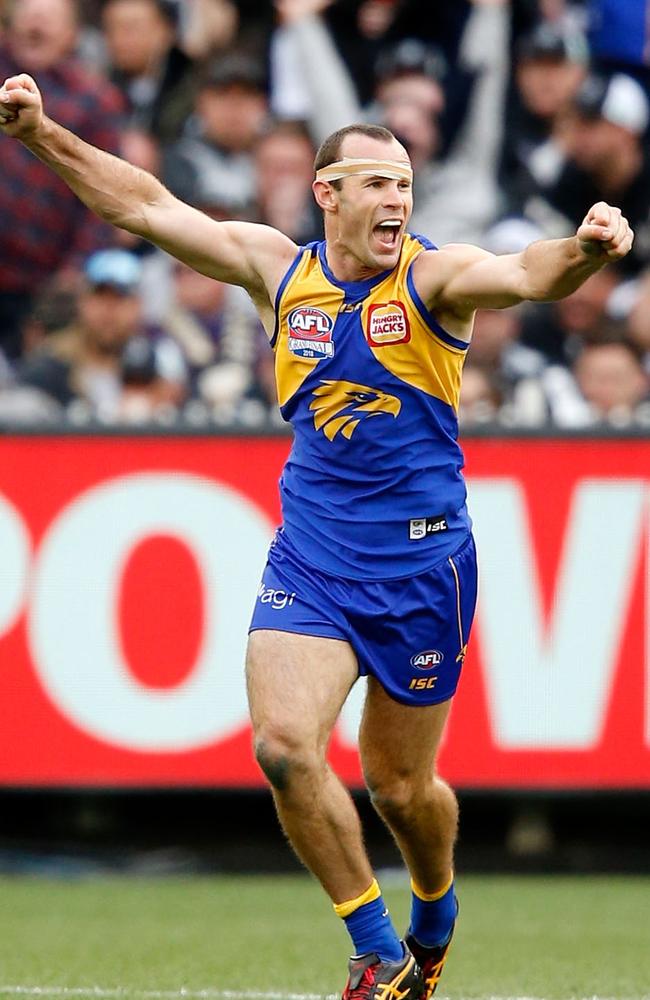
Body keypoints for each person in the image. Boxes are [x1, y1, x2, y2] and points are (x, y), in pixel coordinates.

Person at [0, 71, 634, 1000]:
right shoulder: (277, 269)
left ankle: (435, 902)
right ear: (326, 192)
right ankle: (376, 948)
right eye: (378, 184)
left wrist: (586, 250)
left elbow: (527, 273)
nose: (397, 201)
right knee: (284, 748)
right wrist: (38, 133)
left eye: (407, 186)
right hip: (315, 556)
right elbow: (143, 205)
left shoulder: (433, 279)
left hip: (423, 565)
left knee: (403, 792)